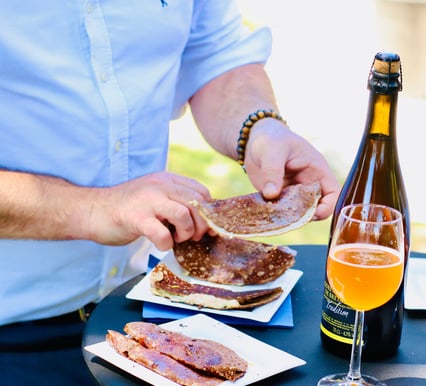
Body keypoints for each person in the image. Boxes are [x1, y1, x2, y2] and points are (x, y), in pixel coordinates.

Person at [0, 1, 339, 384]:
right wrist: (93, 210)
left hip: (143, 315)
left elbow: (212, 53)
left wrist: (259, 130)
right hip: (11, 335)